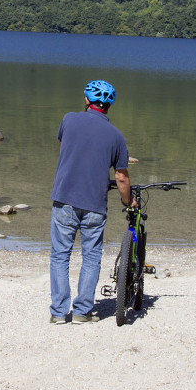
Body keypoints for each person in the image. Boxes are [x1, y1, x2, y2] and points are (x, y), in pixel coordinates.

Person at [49, 79, 132, 324]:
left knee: (60, 255)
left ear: (87, 100)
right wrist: (128, 202)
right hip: (95, 203)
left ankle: (58, 313)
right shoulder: (117, 137)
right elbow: (121, 177)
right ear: (109, 106)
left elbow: (65, 149)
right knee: (91, 256)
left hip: (64, 198)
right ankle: (82, 312)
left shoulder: (69, 120)